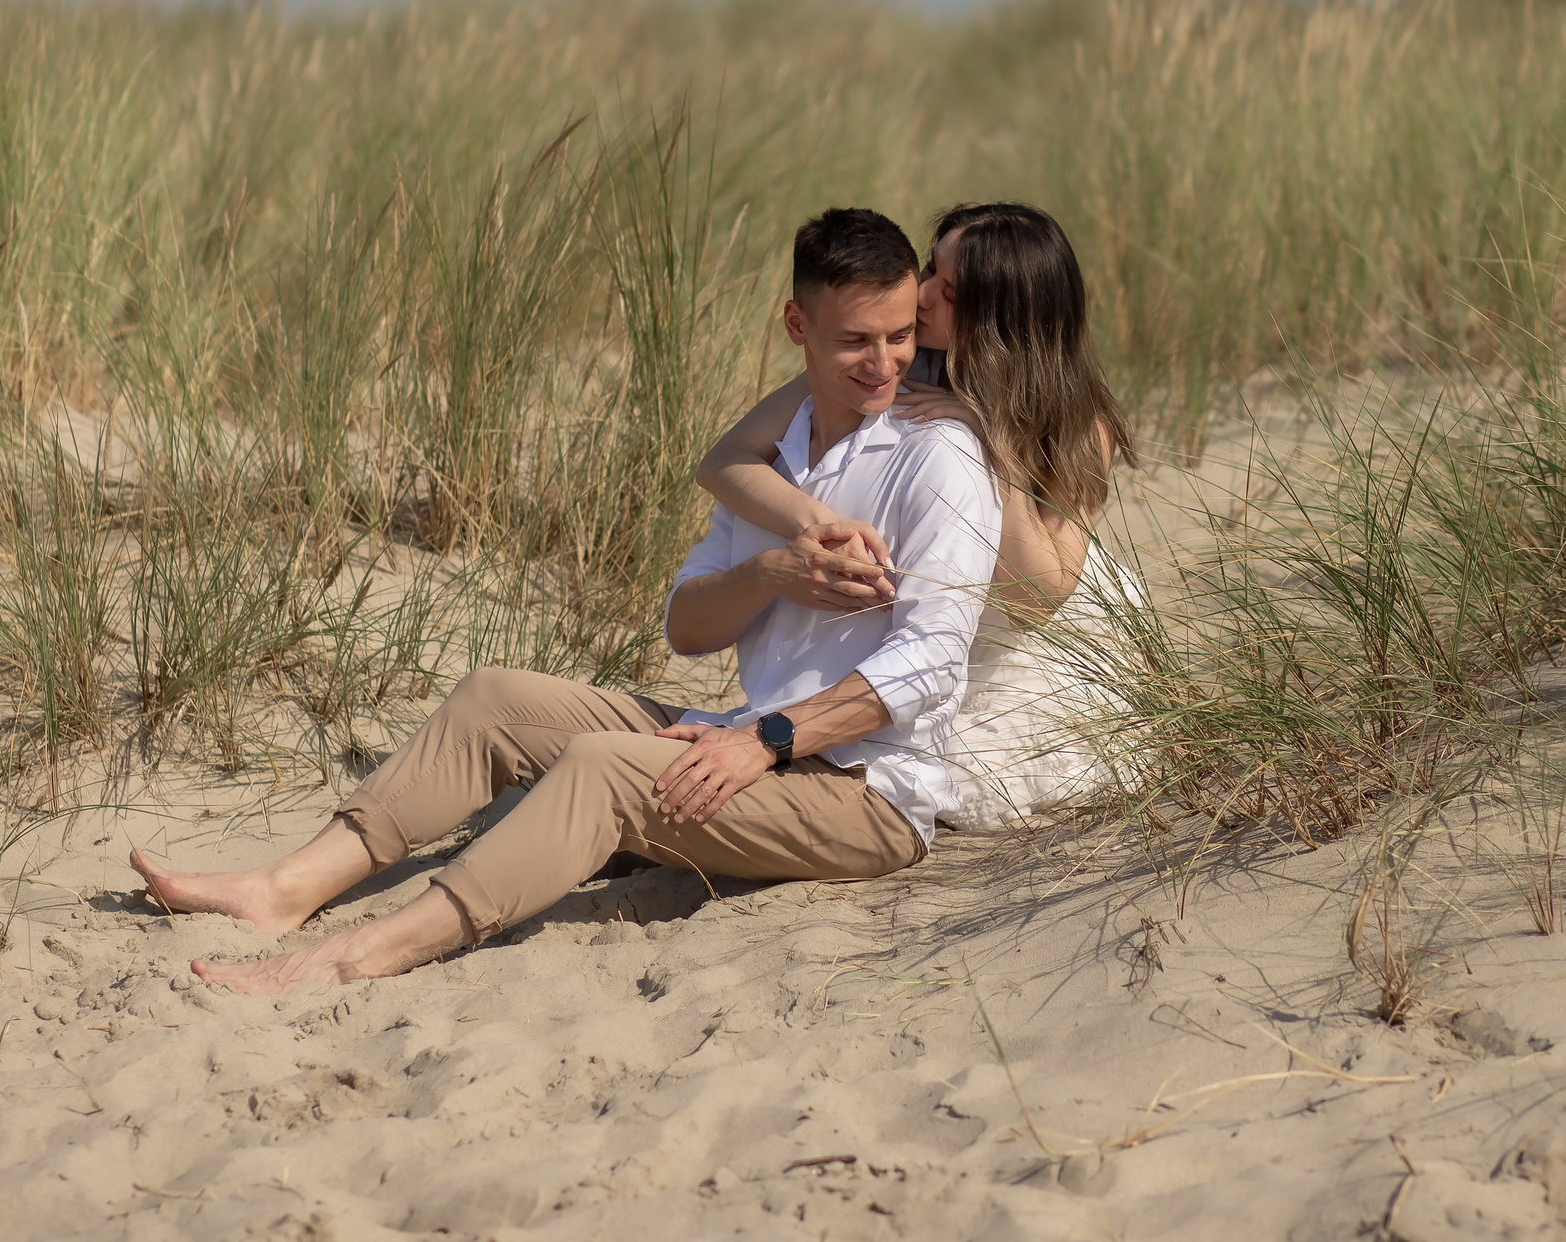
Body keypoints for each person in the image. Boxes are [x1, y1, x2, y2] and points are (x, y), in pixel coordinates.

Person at [131, 208, 1001, 993]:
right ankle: (286, 890)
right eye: (856, 340)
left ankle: (362, 952)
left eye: (898, 335)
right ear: (796, 325)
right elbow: (686, 625)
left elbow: (931, 662)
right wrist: (768, 577)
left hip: (866, 793)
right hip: (743, 732)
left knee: (599, 768)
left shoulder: (940, 456)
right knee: (493, 699)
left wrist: (765, 741)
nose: (884, 361)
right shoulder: (779, 453)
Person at [697, 202, 1140, 830]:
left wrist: (987, 436)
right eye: (931, 268)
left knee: (956, 782)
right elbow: (723, 461)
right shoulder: (889, 363)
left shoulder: (1075, 419)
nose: (921, 294)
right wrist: (818, 523)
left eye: (949, 290)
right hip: (930, 643)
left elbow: (1039, 593)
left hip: (1032, 653)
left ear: (1001, 317)